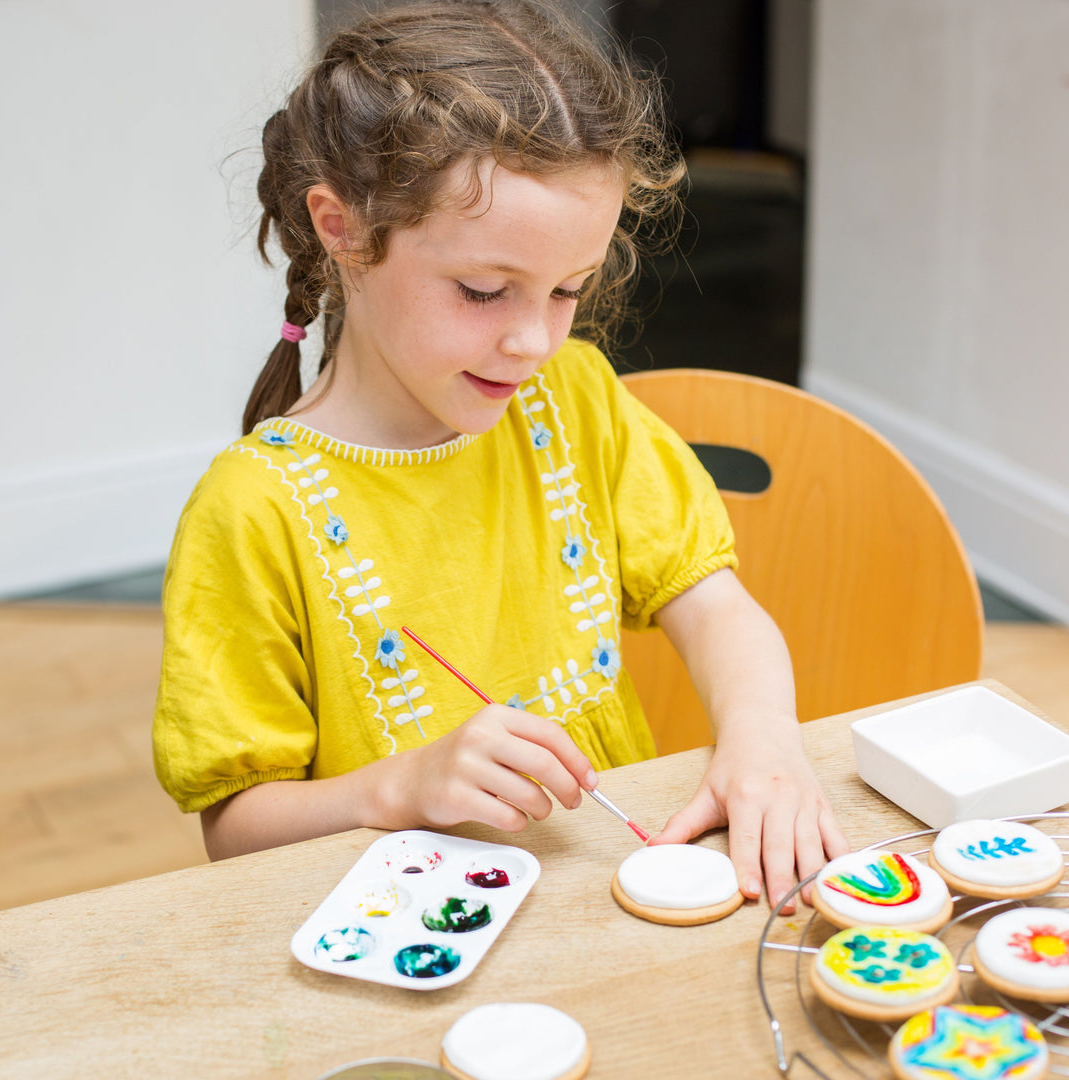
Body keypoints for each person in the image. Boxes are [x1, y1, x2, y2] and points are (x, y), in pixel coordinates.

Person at [153, 0, 848, 913]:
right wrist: (396, 790)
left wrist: (763, 744)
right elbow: (234, 828)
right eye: (484, 290)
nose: (532, 342)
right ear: (343, 228)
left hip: (604, 903)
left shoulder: (574, 398)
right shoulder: (253, 511)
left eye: (569, 289)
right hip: (403, 941)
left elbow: (717, 608)